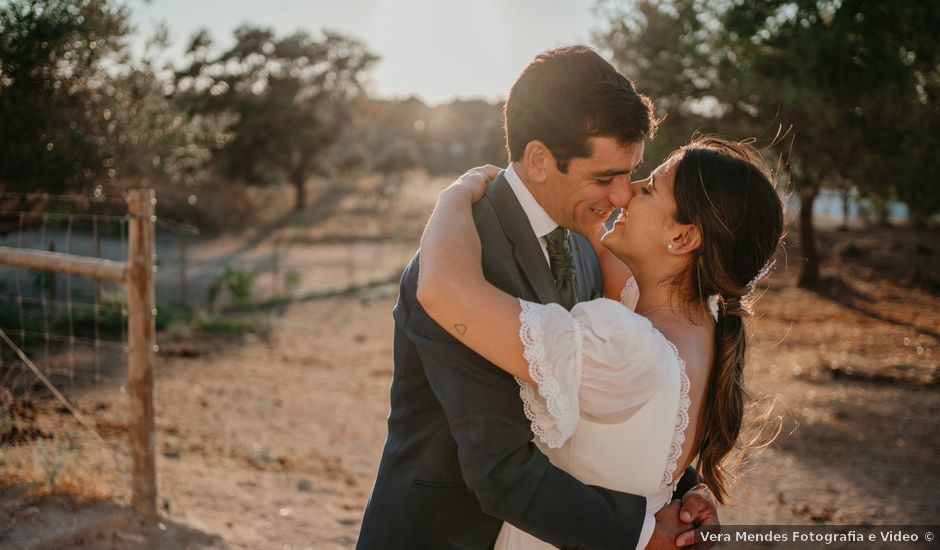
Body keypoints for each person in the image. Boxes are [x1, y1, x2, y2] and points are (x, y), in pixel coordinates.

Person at [357, 45, 716, 549]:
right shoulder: (465, 260)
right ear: (541, 160)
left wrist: (678, 484)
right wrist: (640, 534)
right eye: (604, 177)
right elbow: (499, 466)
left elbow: (613, 392)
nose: (622, 197)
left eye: (630, 173)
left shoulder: (584, 243)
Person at [416, 136, 784, 549]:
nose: (627, 193)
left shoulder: (624, 344)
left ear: (683, 239)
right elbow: (597, 237)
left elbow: (442, 289)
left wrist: (456, 194)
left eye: (648, 189)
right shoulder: (707, 317)